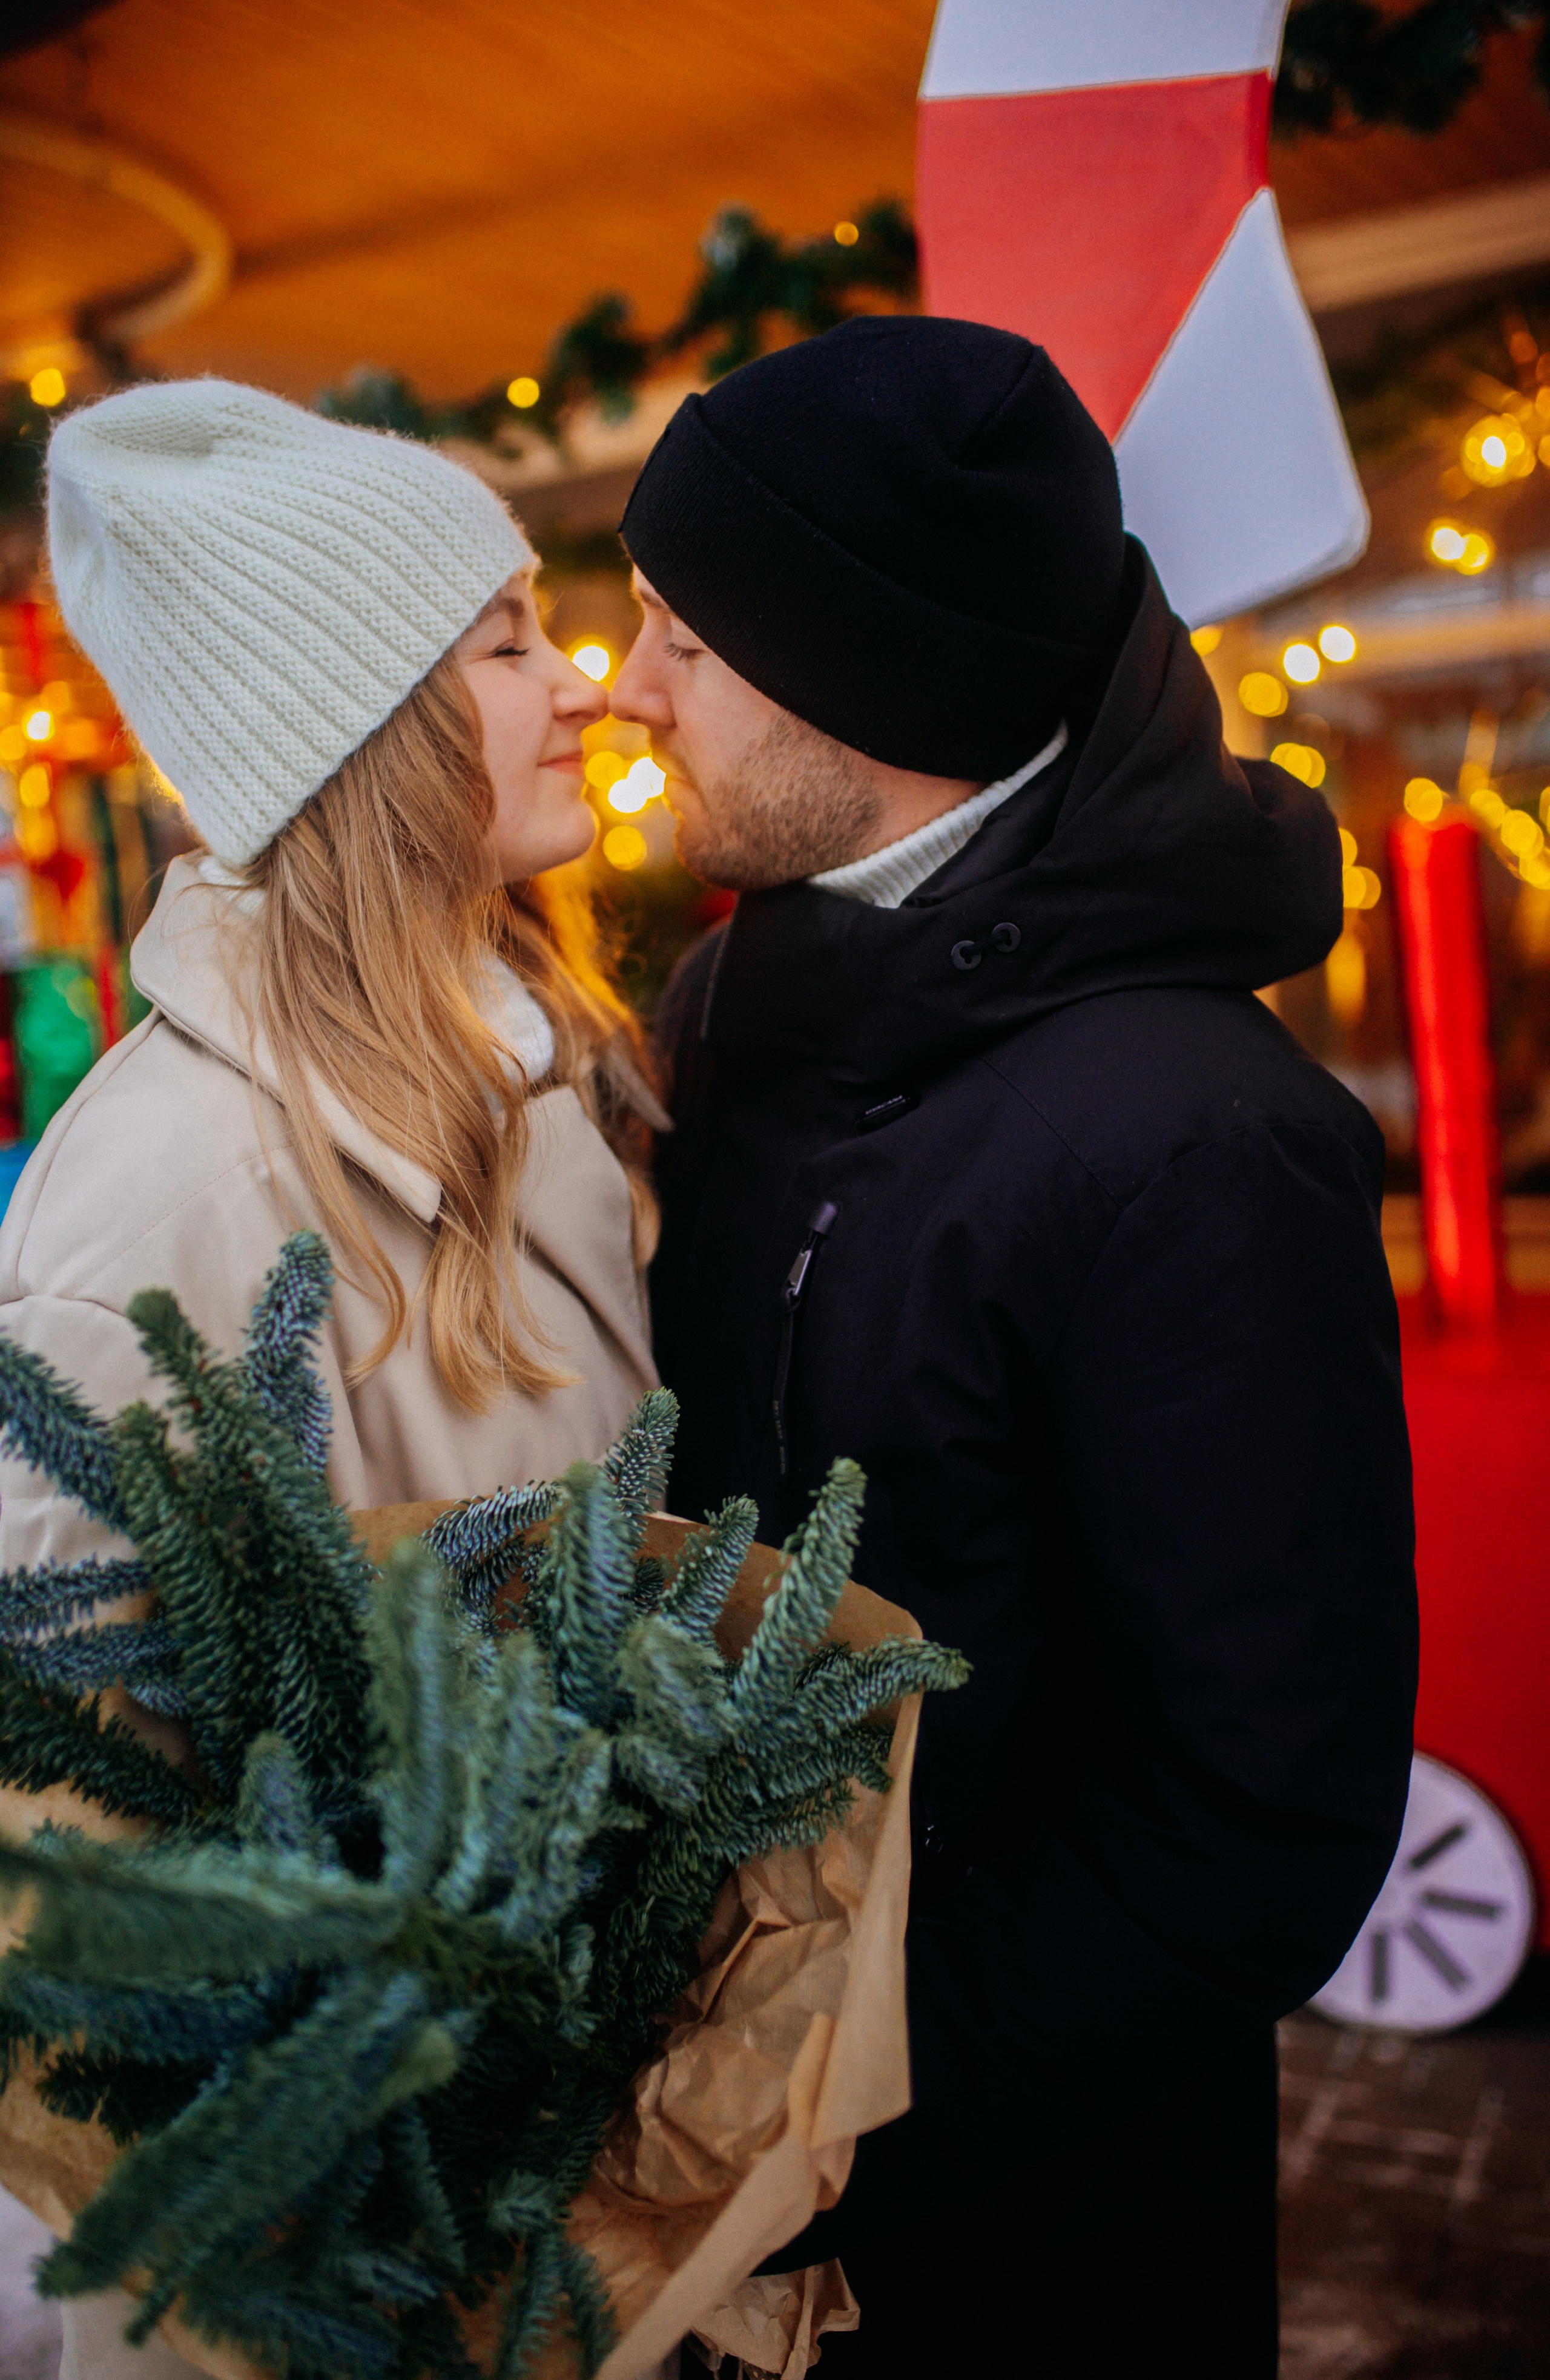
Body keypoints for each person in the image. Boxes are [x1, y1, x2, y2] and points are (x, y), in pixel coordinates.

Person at [612, 316, 1419, 2377]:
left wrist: (825, 2102)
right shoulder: (728, 1018)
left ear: (862, 679)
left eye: (682, 639)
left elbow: (1260, 1817)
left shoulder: (1197, 1140)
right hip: (727, 2227)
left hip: (1033, 2242)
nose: (632, 693)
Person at [0, 379, 661, 2380]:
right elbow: (78, 1817)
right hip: (335, 2248)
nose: (585, 687)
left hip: (580, 2174)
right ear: (362, 724)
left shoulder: (542, 1052)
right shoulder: (165, 1184)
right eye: (510, 640)